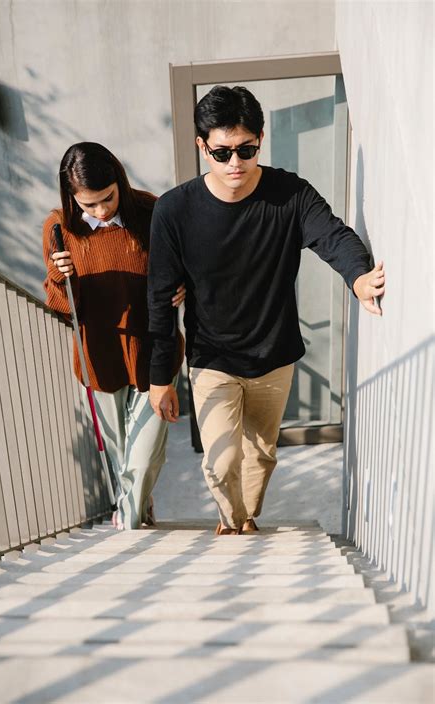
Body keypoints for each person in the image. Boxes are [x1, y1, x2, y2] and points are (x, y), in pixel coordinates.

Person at [147, 86, 385, 535]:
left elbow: (332, 235)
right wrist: (161, 378)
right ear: (202, 146)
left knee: (262, 452)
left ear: (261, 138)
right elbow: (159, 298)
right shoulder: (174, 210)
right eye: (221, 153)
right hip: (211, 357)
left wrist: (357, 276)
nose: (235, 163)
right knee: (221, 461)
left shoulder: (288, 194)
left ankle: (245, 518)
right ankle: (233, 522)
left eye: (246, 149)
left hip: (273, 357)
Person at [43, 142, 184, 530]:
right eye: (89, 205)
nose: (102, 211)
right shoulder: (59, 229)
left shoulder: (152, 211)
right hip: (99, 360)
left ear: (119, 181)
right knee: (122, 457)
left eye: (107, 198)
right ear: (72, 198)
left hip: (155, 351)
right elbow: (61, 306)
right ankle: (137, 510)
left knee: (142, 458)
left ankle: (128, 526)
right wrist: (60, 276)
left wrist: (184, 285)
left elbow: (182, 267)